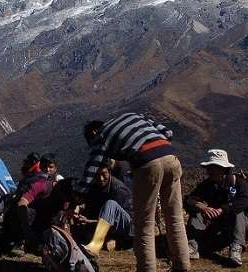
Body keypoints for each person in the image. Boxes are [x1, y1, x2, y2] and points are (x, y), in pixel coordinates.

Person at [77, 113, 190, 272]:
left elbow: (92, 168)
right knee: (175, 218)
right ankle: (182, 267)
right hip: (171, 157)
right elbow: (168, 133)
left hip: (147, 164)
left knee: (144, 224)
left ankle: (146, 269)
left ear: (92, 135)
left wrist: (78, 194)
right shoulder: (133, 116)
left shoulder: (101, 136)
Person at [185, 149, 248, 267]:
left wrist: (222, 209)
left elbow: (244, 201)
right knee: (196, 213)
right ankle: (192, 246)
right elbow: (189, 200)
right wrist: (202, 208)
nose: (210, 170)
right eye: (209, 167)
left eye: (213, 167)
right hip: (214, 225)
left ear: (223, 169)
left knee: (238, 212)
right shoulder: (207, 185)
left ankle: (236, 249)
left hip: (233, 226)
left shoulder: (239, 183)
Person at [0, 152, 56, 254]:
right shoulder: (39, 183)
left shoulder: (40, 181)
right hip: (37, 221)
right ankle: (21, 241)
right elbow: (23, 202)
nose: (47, 169)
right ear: (40, 166)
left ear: (55, 168)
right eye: (45, 167)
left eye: (50, 167)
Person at [75, 159, 133, 257]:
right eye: (97, 175)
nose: (101, 178)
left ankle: (95, 246)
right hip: (108, 226)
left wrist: (91, 222)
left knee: (110, 204)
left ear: (109, 172)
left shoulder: (118, 189)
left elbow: (116, 221)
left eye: (104, 174)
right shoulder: (95, 187)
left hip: (129, 227)